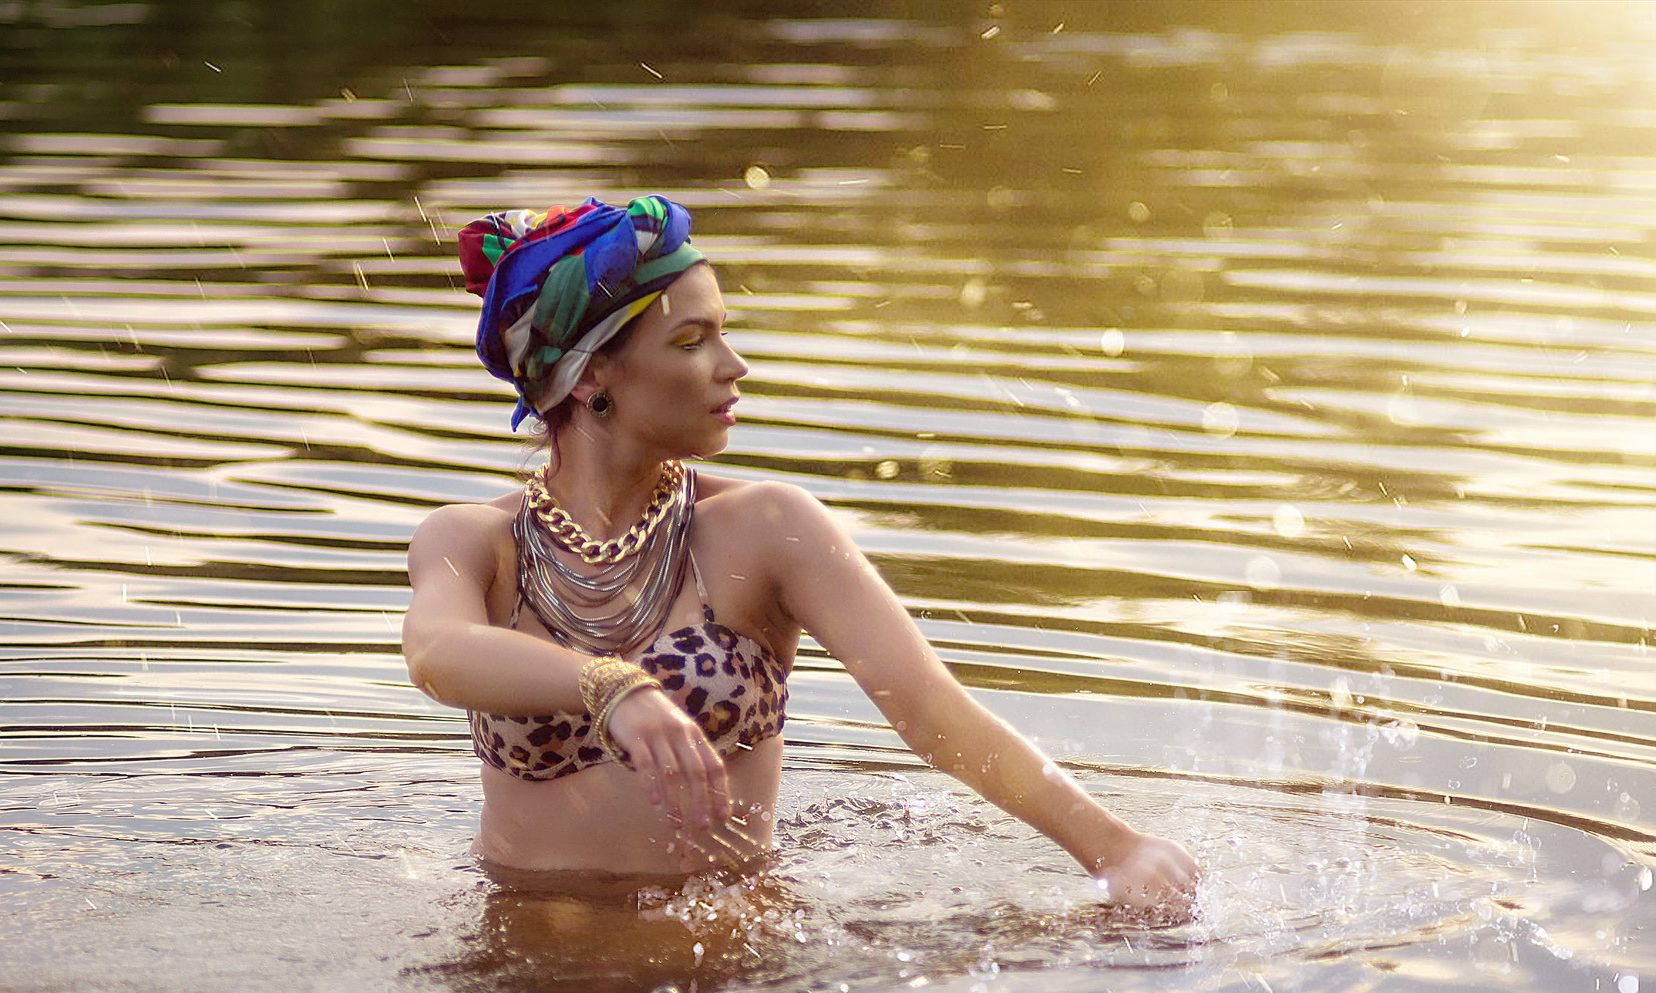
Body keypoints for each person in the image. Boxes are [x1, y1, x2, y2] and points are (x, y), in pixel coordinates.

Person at [401, 196, 1200, 923]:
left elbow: (931, 711)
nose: (733, 365)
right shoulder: (475, 540)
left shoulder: (768, 527)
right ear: (591, 373)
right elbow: (437, 653)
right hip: (521, 969)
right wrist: (609, 685)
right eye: (692, 339)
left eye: (724, 331)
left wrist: (1114, 846)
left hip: (725, 971)